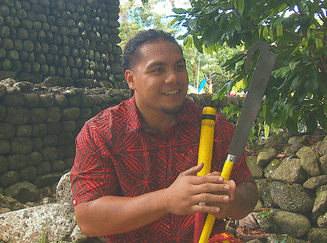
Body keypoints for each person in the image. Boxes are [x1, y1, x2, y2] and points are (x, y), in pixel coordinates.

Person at [71, 29, 258, 242]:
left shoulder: (216, 128)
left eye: (179, 67)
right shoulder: (101, 133)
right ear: (131, 80)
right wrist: (166, 200)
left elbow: (248, 191)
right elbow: (88, 219)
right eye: (157, 70)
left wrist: (230, 202)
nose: (173, 78)